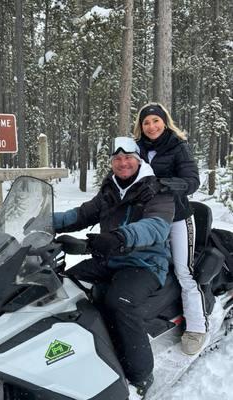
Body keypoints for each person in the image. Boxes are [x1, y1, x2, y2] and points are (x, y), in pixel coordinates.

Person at [54, 137, 174, 398]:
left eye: (128, 157)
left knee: (120, 302)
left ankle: (140, 375)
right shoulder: (110, 190)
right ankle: (81, 352)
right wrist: (45, 220)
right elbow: (82, 214)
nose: (123, 163)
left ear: (138, 160)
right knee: (64, 286)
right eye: (117, 159)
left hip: (146, 263)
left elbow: (155, 227)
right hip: (109, 259)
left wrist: (119, 237)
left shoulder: (157, 190)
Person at [133, 103, 207, 355]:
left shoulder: (178, 146)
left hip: (177, 216)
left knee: (183, 271)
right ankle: (153, 315)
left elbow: (192, 181)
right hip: (148, 218)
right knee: (147, 267)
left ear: (165, 121)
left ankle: (196, 326)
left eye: (155, 121)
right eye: (146, 122)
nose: (151, 126)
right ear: (140, 126)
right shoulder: (136, 148)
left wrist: (162, 184)